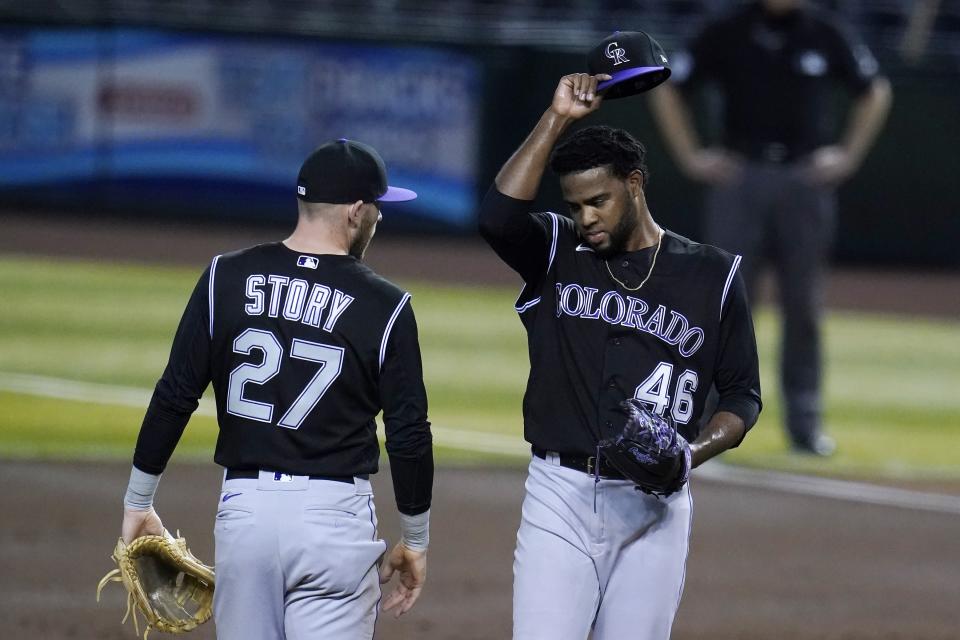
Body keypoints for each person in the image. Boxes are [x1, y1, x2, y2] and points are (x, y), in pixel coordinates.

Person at [478, 71, 762, 640]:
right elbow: (497, 219)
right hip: (560, 497)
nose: (586, 218)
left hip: (654, 510)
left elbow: (741, 396)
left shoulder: (713, 274)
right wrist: (557, 116)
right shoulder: (558, 251)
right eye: (575, 205)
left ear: (634, 184)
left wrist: (691, 453)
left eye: (598, 201)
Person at [117, 138, 434, 639]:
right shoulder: (387, 304)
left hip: (246, 515)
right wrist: (415, 539)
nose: (379, 217)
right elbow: (409, 433)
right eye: (377, 207)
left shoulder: (225, 276)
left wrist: (138, 503)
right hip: (334, 521)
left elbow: (175, 394)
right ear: (355, 212)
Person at [649, 0, 892, 456]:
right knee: (723, 305)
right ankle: (705, 424)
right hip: (740, 177)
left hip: (805, 181)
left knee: (804, 306)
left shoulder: (825, 31)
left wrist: (848, 154)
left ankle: (805, 427)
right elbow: (668, 87)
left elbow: (875, 90)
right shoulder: (725, 29)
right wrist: (690, 155)